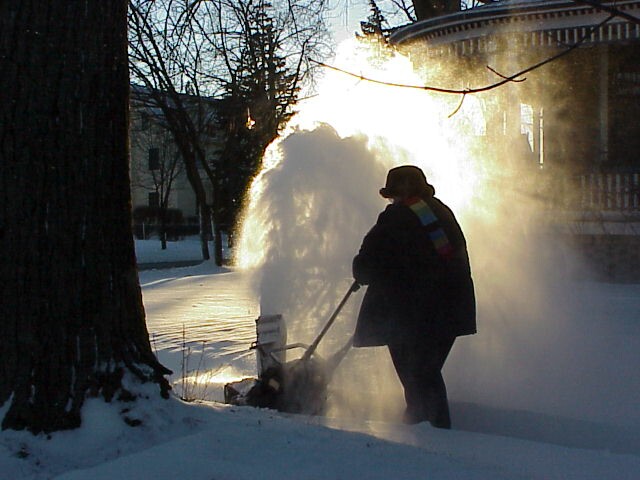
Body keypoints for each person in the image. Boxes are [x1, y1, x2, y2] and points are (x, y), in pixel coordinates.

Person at [352, 165, 476, 428]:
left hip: (411, 315)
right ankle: (423, 425)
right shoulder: (439, 211)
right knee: (424, 374)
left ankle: (430, 433)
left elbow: (368, 263)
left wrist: (362, 272)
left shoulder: (397, 217)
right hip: (450, 310)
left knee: (418, 376)